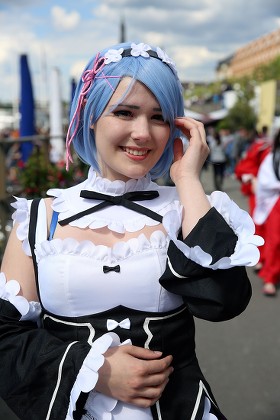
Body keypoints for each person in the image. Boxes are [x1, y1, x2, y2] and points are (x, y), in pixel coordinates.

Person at [0, 41, 263, 420]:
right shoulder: (40, 218)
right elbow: (5, 335)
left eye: (159, 117)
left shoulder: (185, 207)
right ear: (91, 116)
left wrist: (188, 180)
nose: (143, 133)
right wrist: (96, 372)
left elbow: (224, 301)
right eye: (125, 112)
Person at [234, 126, 271, 271]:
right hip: (263, 194)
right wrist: (253, 179)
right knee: (262, 227)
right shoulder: (262, 148)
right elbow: (245, 168)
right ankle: (263, 260)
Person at [253, 128, 280, 296]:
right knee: (275, 241)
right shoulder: (271, 157)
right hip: (275, 202)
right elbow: (265, 181)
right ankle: (270, 277)